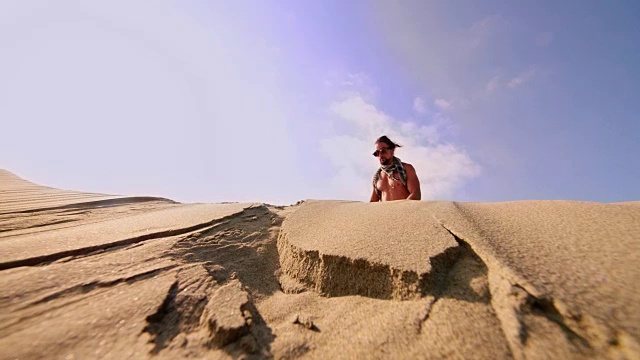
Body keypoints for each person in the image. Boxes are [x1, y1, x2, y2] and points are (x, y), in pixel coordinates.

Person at [370, 135, 421, 202]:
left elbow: (416, 194)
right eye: (377, 153)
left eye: (383, 151)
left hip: (404, 211)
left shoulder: (407, 169)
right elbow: (373, 202)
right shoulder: (377, 176)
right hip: (384, 212)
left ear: (392, 150)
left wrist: (399, 211)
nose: (380, 155)